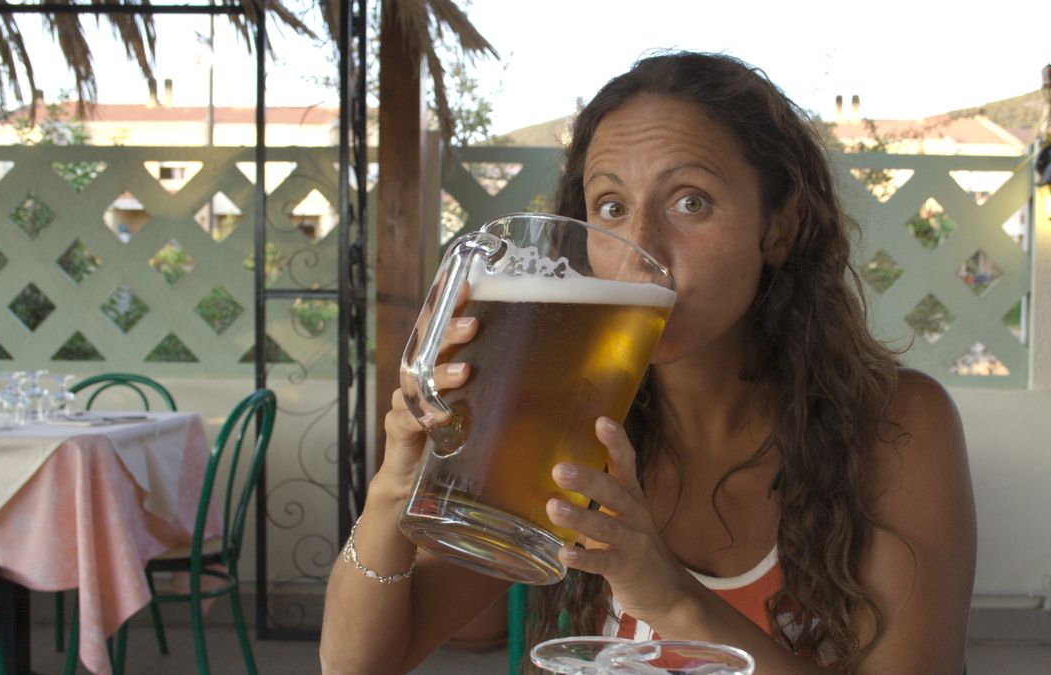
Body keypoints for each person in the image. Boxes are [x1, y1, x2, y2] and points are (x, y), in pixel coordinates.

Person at [319, 51, 975, 674]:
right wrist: (393, 486)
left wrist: (665, 593)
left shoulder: (895, 425)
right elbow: (357, 664)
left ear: (779, 226)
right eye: (611, 207)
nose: (639, 248)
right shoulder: (564, 427)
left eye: (691, 201)